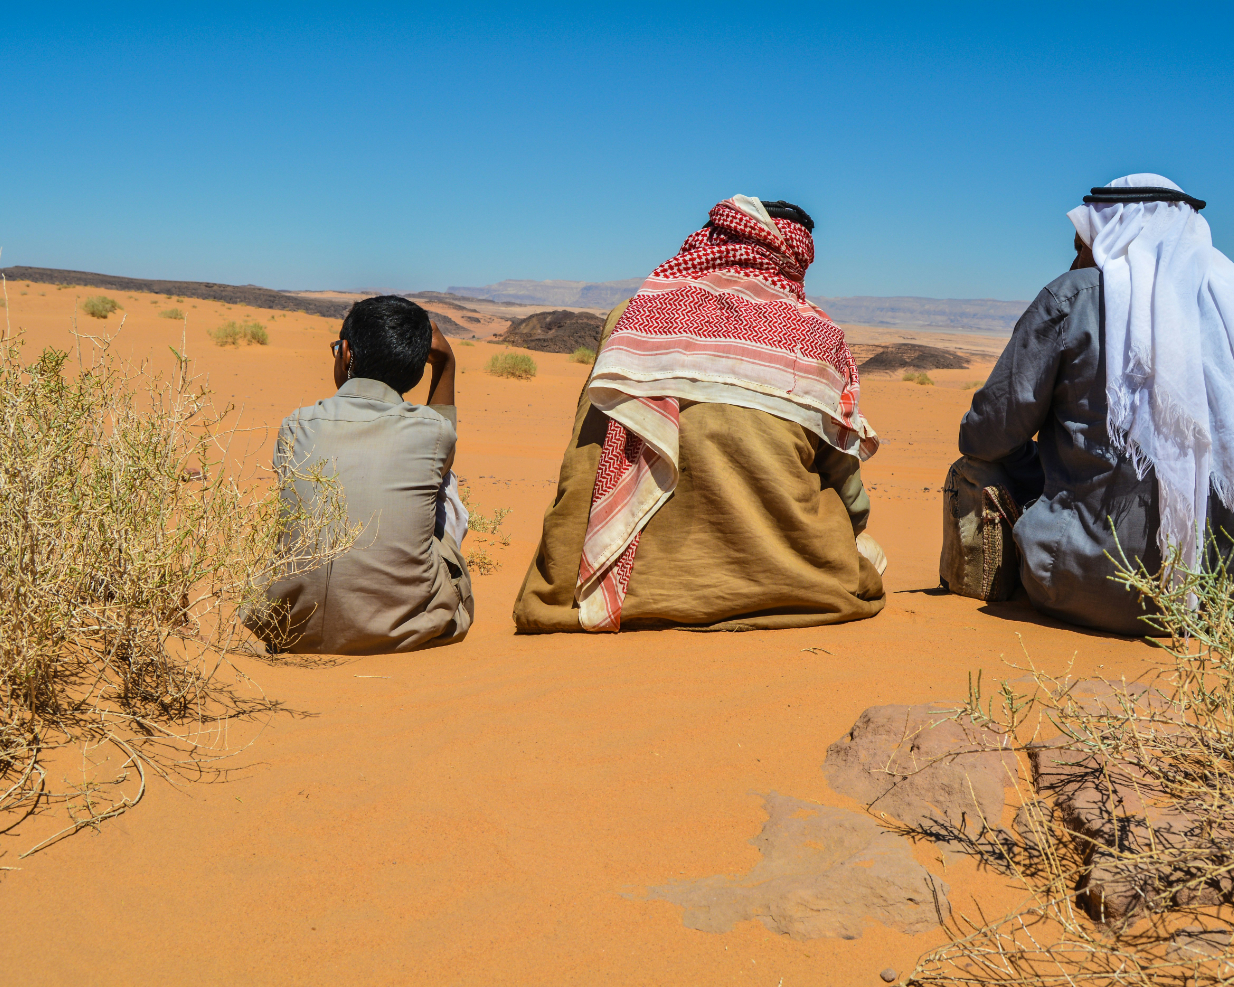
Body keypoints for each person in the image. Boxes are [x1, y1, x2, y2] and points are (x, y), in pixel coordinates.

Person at [955, 174, 1234, 635]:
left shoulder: (1075, 298)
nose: (1077, 259)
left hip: (1104, 590)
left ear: (1114, 235)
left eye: (1082, 244)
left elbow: (988, 433)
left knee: (976, 465)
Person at [513, 195, 886, 632]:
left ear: (714, 239)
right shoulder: (820, 337)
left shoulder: (634, 315)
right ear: (796, 256)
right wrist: (850, 531)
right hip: (794, 573)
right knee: (868, 555)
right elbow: (845, 483)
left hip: (639, 577)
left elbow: (587, 452)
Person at [246, 295, 474, 654]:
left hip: (287, 626)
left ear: (346, 353)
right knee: (442, 483)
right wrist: (446, 364)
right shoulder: (434, 431)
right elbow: (441, 451)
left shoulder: (296, 425)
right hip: (401, 630)